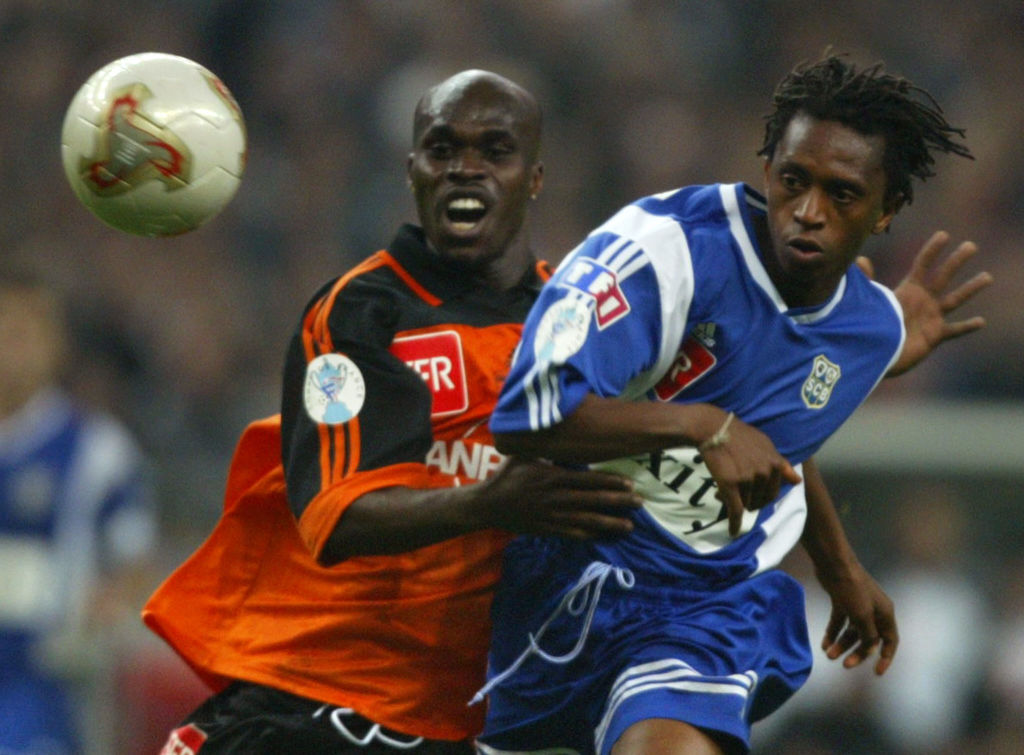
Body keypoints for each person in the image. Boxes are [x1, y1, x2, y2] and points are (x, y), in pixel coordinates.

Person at [474, 53, 991, 755]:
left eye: (842, 195)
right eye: (793, 180)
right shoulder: (663, 253)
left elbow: (782, 437)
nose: (808, 212)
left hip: (705, 605)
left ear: (886, 211)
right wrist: (703, 424)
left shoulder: (871, 330)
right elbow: (525, 415)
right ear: (768, 167)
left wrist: (839, 567)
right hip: (562, 576)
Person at [142, 70, 642, 754]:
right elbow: (337, 514)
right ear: (413, 172)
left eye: (495, 151)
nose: (466, 169)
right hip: (314, 695)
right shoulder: (359, 311)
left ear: (534, 177)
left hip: (464, 720)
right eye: (443, 149)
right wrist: (493, 501)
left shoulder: (584, 325)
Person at [0, 270, 157, 754]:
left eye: (21, 334)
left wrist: (103, 603)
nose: (9, 350)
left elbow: (135, 559)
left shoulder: (97, 451)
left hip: (45, 685)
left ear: (55, 344)